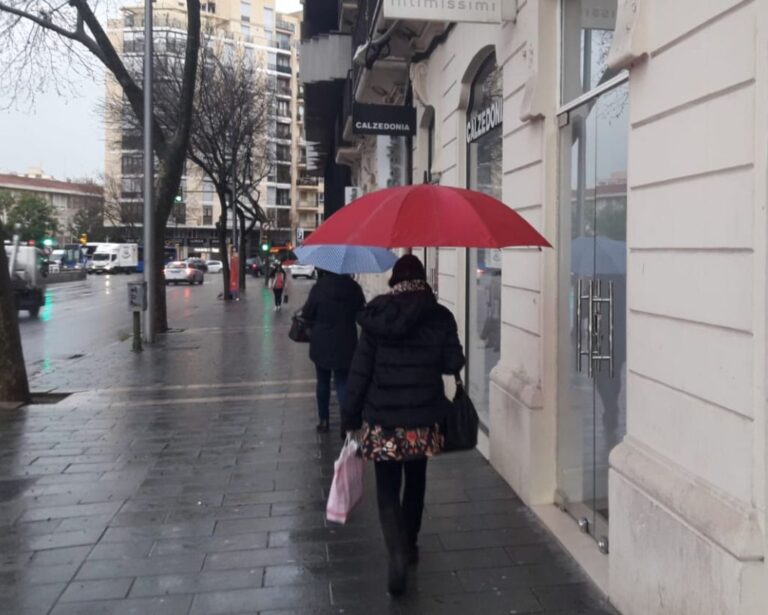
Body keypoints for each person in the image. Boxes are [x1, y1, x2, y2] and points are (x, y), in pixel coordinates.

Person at [341, 254, 465, 596]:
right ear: (423, 280)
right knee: (416, 481)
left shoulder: (378, 315)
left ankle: (394, 549)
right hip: (423, 420)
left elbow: (360, 372)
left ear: (395, 280)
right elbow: (454, 362)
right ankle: (409, 544)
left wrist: (349, 417)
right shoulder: (439, 315)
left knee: (386, 488)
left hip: (383, 421)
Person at [302, 270, 366, 433]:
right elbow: (361, 313)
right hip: (346, 341)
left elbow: (308, 313)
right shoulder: (353, 288)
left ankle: (324, 420)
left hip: (321, 341)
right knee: (343, 383)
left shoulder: (319, 287)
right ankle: (346, 424)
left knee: (322, 382)